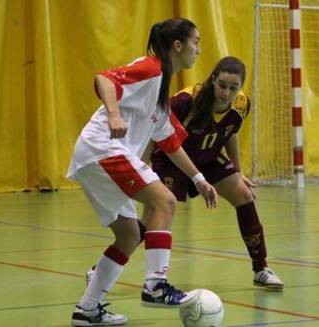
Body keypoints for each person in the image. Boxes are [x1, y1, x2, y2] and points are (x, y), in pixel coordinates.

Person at [67, 18, 218, 326]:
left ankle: (87, 309)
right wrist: (113, 114)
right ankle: (156, 285)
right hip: (103, 148)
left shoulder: (161, 92)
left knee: (129, 235)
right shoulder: (151, 68)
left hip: (95, 155)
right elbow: (105, 78)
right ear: (178, 46)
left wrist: (200, 180)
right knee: (164, 201)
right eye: (196, 42)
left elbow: (171, 143)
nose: (198, 50)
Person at [149, 56, 284, 289]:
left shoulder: (241, 104)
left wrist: (237, 171)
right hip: (172, 159)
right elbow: (155, 132)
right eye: (222, 85)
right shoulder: (185, 101)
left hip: (208, 157)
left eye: (234, 88)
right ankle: (108, 267)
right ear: (212, 80)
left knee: (244, 195)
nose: (226, 92)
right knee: (157, 214)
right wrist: (142, 165)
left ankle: (260, 268)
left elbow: (229, 133)